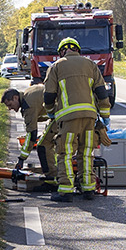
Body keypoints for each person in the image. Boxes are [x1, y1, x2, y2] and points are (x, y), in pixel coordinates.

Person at [42, 37, 110, 203]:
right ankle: (88, 188)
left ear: (62, 51)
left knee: (65, 153)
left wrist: (51, 113)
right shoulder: (90, 65)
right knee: (86, 152)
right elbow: (101, 92)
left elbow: (49, 95)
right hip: (90, 117)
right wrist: (105, 117)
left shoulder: (56, 66)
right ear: (78, 50)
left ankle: (66, 190)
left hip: (68, 117)